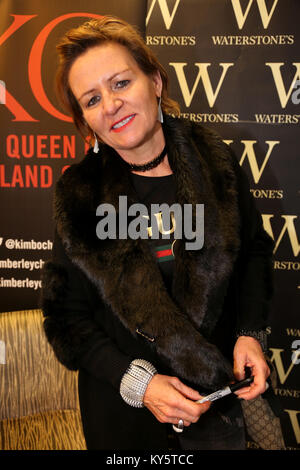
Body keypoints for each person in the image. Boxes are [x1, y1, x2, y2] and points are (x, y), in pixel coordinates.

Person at [41, 16, 276, 450]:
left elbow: (254, 255)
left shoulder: (216, 161)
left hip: (222, 404)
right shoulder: (79, 195)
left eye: (120, 83)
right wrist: (140, 385)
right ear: (85, 120)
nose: (110, 105)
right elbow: (66, 320)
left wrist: (250, 333)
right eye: (91, 99)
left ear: (155, 81)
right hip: (129, 426)